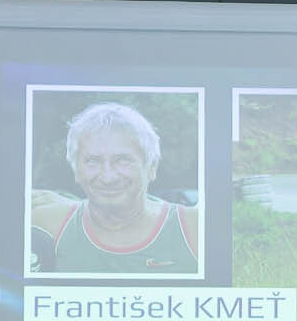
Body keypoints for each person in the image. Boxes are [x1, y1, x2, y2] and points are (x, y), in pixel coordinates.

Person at [30, 102, 199, 274]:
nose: (108, 177)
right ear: (75, 170)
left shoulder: (195, 229)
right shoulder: (43, 225)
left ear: (152, 167)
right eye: (93, 161)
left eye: (123, 160)